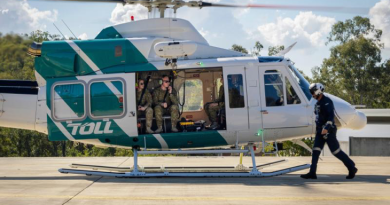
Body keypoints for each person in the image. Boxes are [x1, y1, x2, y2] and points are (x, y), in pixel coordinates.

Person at [301, 83, 358, 180]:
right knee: (315, 151)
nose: (312, 94)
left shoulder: (327, 102)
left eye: (313, 92)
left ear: (318, 91)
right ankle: (312, 172)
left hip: (329, 131)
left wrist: (326, 128)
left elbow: (331, 117)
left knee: (336, 151)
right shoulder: (317, 103)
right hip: (320, 131)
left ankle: (351, 167)